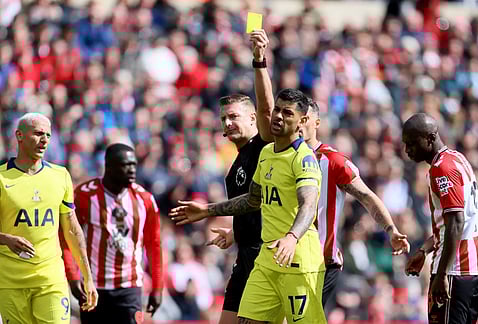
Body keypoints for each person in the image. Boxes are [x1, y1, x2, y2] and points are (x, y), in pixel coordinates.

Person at [249, 28, 410, 308]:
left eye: (304, 118)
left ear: (314, 123)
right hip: (282, 259)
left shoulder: (332, 161)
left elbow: (367, 197)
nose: (296, 122)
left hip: (320, 262)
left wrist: (391, 229)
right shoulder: (278, 155)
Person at [170, 88, 327, 324]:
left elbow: (308, 204)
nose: (278, 116)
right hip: (266, 259)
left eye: (287, 113)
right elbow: (253, 200)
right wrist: (208, 211)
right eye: (277, 110)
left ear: (302, 121)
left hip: (298, 260)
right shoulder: (266, 154)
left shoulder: (303, 159)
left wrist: (292, 237)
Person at [0, 112, 98, 324]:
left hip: (50, 279)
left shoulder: (60, 175)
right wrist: (6, 239)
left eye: (48, 135)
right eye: (37, 134)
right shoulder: (1, 177)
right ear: (19, 136)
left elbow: (72, 229)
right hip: (10, 282)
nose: (44, 140)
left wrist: (88, 277)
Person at [62, 143, 163, 324]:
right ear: (108, 166)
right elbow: (67, 237)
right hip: (93, 287)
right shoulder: (85, 195)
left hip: (129, 287)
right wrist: (73, 276)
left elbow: (154, 245)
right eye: (125, 165)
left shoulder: (145, 199)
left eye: (134, 164)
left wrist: (158, 287)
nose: (132, 170)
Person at [403, 113, 478, 324]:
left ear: (430, 137)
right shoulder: (458, 159)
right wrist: (424, 250)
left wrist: (442, 275)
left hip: (455, 269)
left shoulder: (442, 169)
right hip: (470, 268)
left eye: (412, 143)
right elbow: (454, 223)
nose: (407, 150)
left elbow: (456, 221)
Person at [205, 92, 273, 324]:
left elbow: (266, 107)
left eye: (233, 116)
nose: (227, 123)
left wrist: (259, 63)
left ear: (253, 118)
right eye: (223, 118)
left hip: (265, 255)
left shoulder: (265, 147)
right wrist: (235, 232)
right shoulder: (236, 165)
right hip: (244, 256)